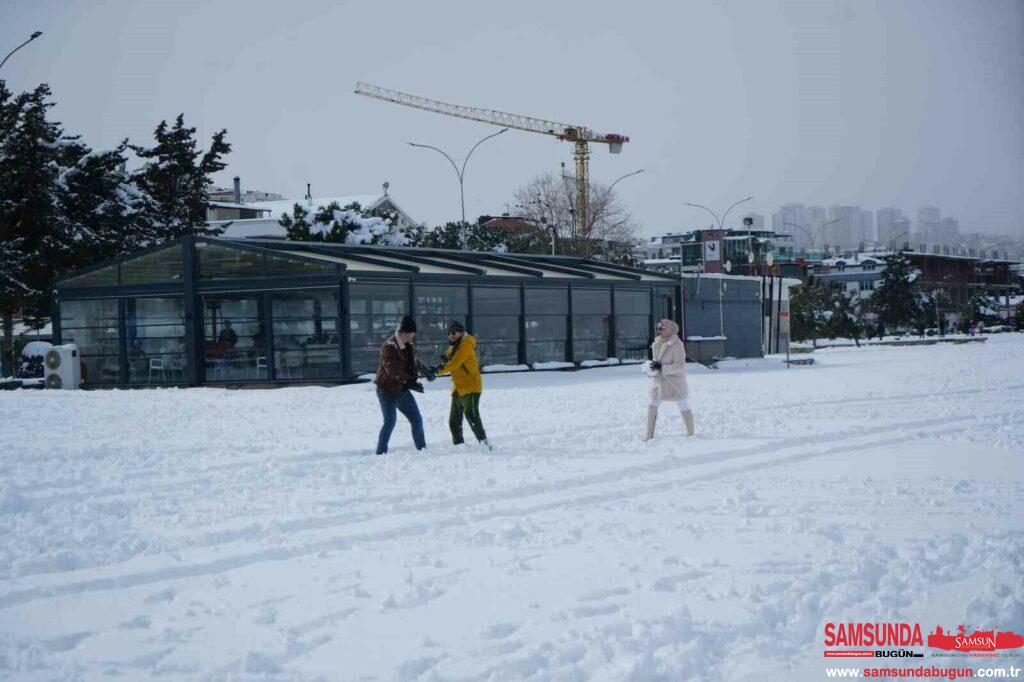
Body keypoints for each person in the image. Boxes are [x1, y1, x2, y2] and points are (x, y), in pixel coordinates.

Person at [373, 315, 426, 455]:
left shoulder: (408, 346)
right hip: (386, 390)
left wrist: (424, 369)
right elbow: (392, 369)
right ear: (404, 332)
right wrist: (407, 380)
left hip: (401, 389)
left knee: (416, 419)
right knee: (390, 422)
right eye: (411, 334)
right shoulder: (388, 346)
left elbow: (413, 361)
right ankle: (380, 453)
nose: (412, 337)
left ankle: (423, 450)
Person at [434, 320, 491, 450]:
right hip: (458, 387)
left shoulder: (466, 344)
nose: (451, 335)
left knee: (471, 415)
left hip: (471, 386)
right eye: (449, 333)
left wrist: (438, 371)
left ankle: (484, 444)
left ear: (461, 332)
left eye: (453, 332)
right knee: (453, 421)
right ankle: (459, 446)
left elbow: (455, 363)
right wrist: (438, 366)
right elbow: (448, 360)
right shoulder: (454, 345)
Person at [646, 318, 694, 441]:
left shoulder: (677, 344)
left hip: (674, 382)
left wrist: (662, 367)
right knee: (652, 404)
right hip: (659, 381)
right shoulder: (657, 343)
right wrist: (651, 367)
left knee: (683, 404)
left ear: (670, 329)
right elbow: (657, 361)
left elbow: (679, 366)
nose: (659, 330)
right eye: (657, 328)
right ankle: (649, 435)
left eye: (662, 328)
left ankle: (691, 434)